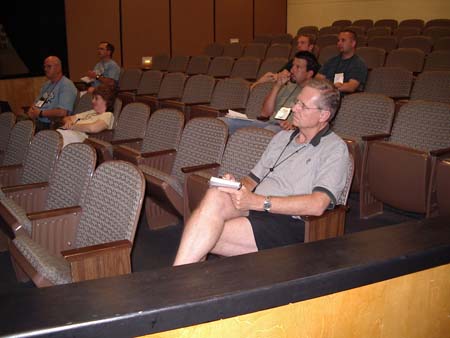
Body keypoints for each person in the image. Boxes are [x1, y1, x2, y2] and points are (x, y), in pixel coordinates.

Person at [174, 78, 350, 266]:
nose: (294, 108)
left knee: (200, 231)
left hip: (289, 221)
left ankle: (179, 282)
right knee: (215, 196)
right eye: (297, 101)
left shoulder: (335, 149)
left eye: (303, 106)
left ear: (323, 115)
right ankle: (184, 282)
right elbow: (251, 180)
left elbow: (318, 204)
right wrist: (236, 187)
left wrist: (261, 202)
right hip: (257, 208)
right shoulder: (282, 138)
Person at [221, 51, 320, 134]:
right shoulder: (288, 86)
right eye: (293, 65)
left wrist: (295, 125)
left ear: (309, 73)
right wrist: (277, 86)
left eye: (298, 67)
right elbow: (265, 113)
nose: (292, 70)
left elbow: (314, 123)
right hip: (270, 123)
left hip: (289, 131)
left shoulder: (314, 94)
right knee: (226, 122)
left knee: (268, 132)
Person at [26, 56, 77, 131]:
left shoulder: (66, 85)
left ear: (58, 68)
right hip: (38, 120)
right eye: (45, 67)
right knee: (20, 121)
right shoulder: (47, 85)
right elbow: (38, 103)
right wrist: (31, 110)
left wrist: (41, 113)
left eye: (49, 66)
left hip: (51, 124)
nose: (45, 69)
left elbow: (62, 112)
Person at [316, 30, 368, 95]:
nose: (339, 43)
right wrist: (334, 85)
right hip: (326, 95)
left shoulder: (359, 64)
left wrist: (329, 85)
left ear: (353, 43)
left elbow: (351, 86)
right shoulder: (332, 61)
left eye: (343, 40)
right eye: (338, 40)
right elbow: (318, 78)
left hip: (346, 99)